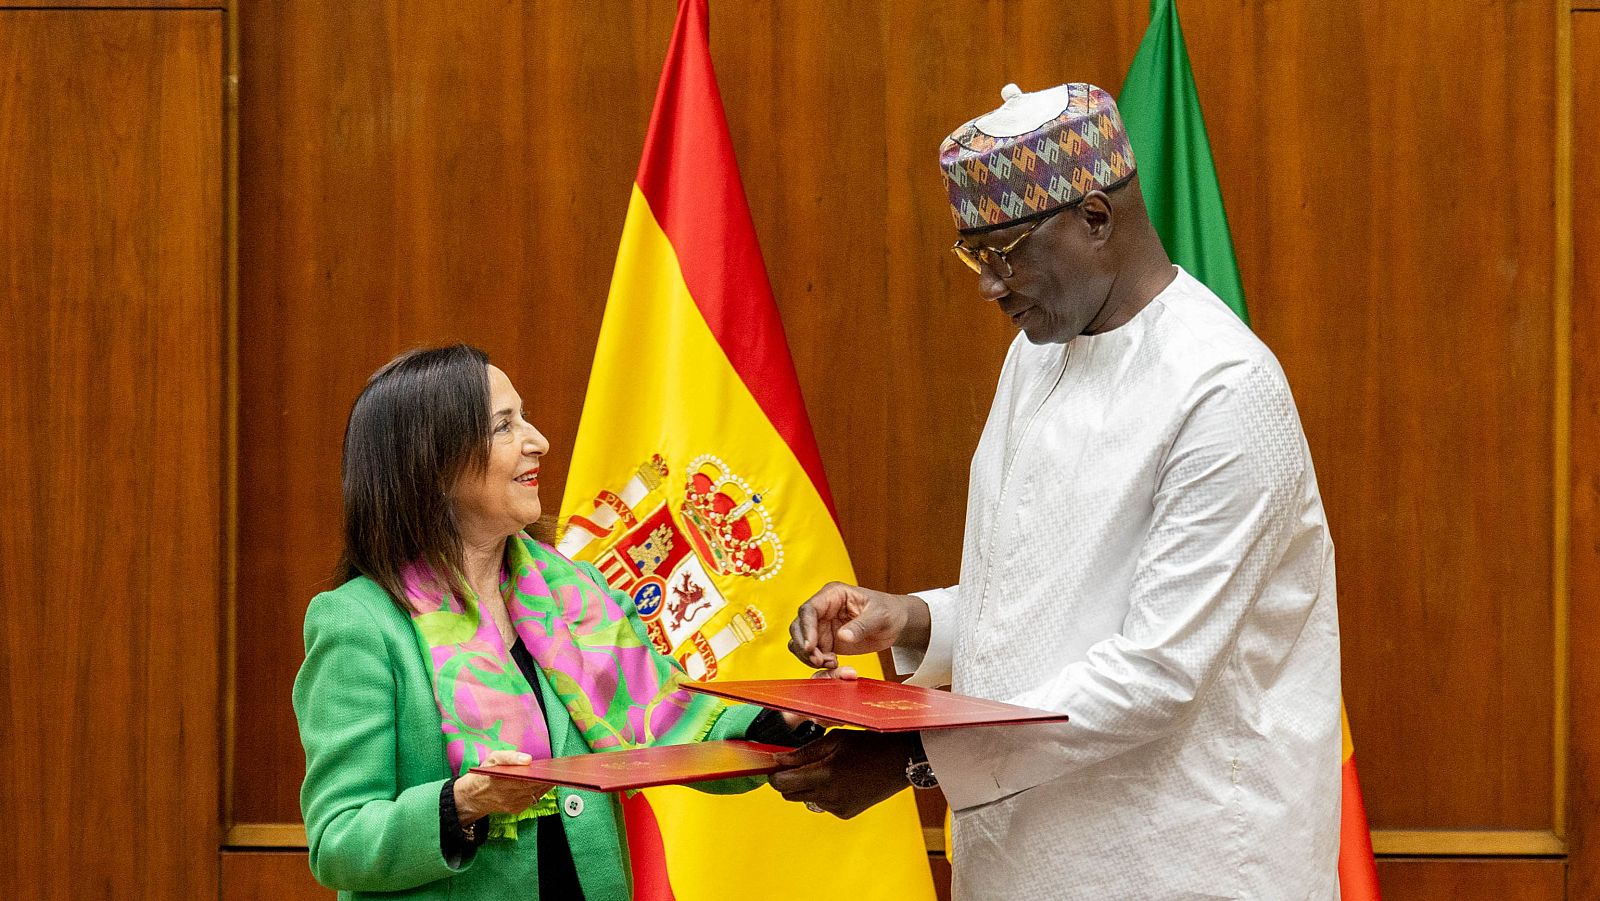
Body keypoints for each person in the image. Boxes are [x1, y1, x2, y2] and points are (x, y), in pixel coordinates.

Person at [773, 83, 1341, 899]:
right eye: (972, 254)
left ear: (1096, 219)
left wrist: (911, 759)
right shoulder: (1041, 352)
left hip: (1182, 864)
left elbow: (1156, 672)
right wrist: (915, 618)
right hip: (1021, 858)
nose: (988, 285)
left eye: (1003, 253)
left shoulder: (1224, 388)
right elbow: (1063, 597)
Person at [294, 344, 814, 901]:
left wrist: (776, 725)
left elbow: (681, 725)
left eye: (524, 416)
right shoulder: (359, 623)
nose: (537, 440)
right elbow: (338, 841)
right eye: (503, 425)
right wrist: (463, 803)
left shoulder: (574, 593)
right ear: (435, 464)